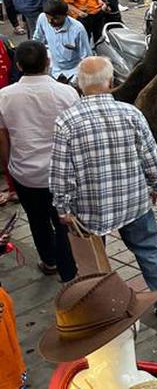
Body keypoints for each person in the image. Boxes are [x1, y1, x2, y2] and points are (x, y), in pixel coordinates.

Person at [50, 56, 157, 321]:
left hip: (90, 208)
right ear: (111, 82)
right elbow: (150, 156)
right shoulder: (131, 113)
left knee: (93, 263)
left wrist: (62, 208)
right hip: (133, 201)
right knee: (149, 250)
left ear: (79, 85)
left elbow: (61, 172)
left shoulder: (66, 122)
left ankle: (103, 311)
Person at [0, 40, 80, 280]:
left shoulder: (4, 96)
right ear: (48, 62)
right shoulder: (66, 92)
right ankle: (70, 271)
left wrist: (9, 167)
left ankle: (49, 260)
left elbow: (2, 139)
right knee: (64, 222)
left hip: (25, 173)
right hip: (62, 172)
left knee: (37, 220)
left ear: (18, 65)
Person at [32, 0, 91, 82]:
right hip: (54, 70)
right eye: (48, 18)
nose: (50, 22)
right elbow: (37, 40)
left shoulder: (78, 29)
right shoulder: (42, 18)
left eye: (55, 18)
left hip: (73, 72)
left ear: (66, 15)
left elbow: (86, 57)